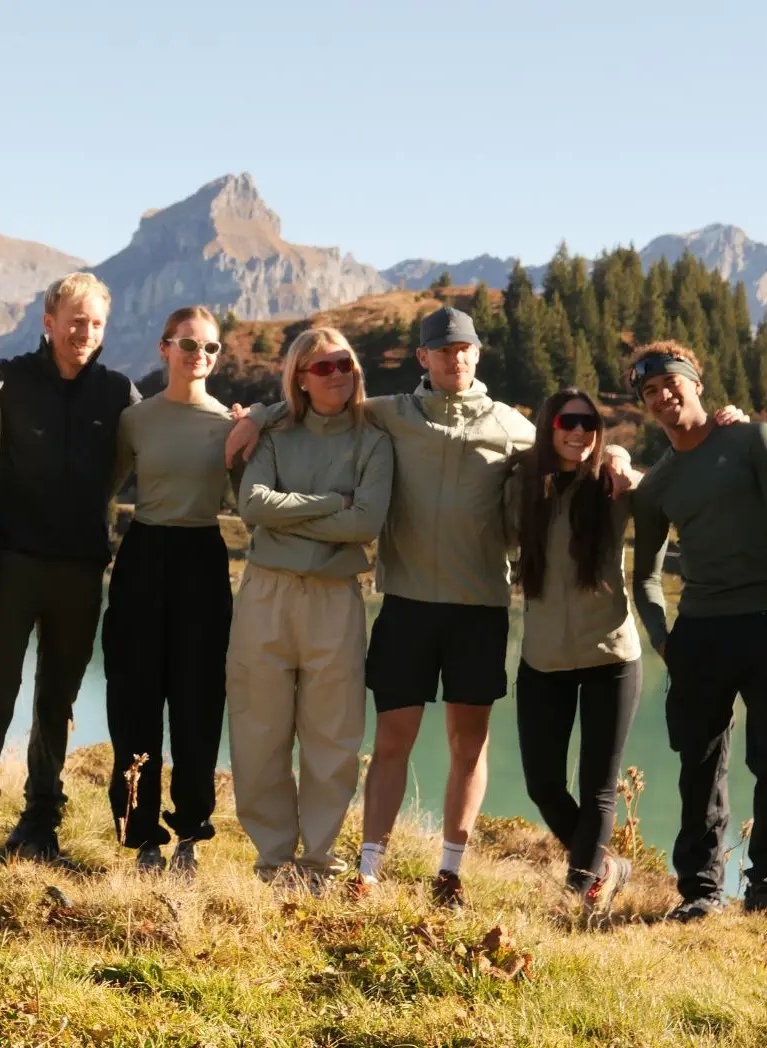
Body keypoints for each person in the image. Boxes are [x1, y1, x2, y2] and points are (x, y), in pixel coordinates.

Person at [227, 308, 543, 905]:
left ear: (478, 353)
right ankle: (362, 865)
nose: (455, 357)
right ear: (423, 357)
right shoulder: (388, 415)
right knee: (378, 740)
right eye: (442, 349)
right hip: (405, 604)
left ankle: (444, 870)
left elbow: (566, 452)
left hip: (479, 605)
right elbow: (304, 423)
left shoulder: (510, 426)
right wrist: (261, 416)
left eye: (465, 348)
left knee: (461, 745)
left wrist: (622, 461)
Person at [227, 327, 393, 883]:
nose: (337, 375)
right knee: (258, 732)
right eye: (322, 367)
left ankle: (319, 862)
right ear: (300, 375)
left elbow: (365, 523)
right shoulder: (275, 432)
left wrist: (291, 516)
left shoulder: (373, 440)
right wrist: (330, 505)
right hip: (266, 595)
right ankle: (273, 860)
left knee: (333, 737)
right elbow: (253, 504)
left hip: (335, 601)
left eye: (343, 363)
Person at [631, 341, 767, 921]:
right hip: (697, 634)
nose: (663, 395)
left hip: (765, 625)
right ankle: (699, 891)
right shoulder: (658, 485)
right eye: (649, 391)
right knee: (699, 768)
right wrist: (663, 638)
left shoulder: (752, 440)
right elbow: (643, 575)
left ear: (696, 381)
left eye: (671, 382)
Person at [0, 273, 138, 859]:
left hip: (81, 569)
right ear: (48, 323)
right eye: (75, 321)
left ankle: (38, 823)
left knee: (58, 698)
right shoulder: (9, 380)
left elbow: (157, 444)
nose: (85, 332)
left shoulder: (119, 393)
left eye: (96, 323)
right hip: (11, 564)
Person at [104, 307, 237, 875]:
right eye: (188, 344)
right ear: (164, 348)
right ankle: (141, 834)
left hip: (204, 558)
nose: (198, 356)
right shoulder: (135, 421)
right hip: (143, 556)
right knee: (134, 695)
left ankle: (189, 833)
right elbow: (101, 490)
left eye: (210, 348)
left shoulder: (233, 425)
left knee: (198, 700)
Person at [504, 388, 642, 913]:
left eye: (589, 423)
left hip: (611, 655)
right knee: (543, 784)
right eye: (568, 421)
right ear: (549, 425)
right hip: (543, 657)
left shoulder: (612, 484)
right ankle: (607, 868)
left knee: (599, 790)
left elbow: (649, 485)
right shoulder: (523, 486)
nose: (579, 432)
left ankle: (579, 894)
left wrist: (624, 459)